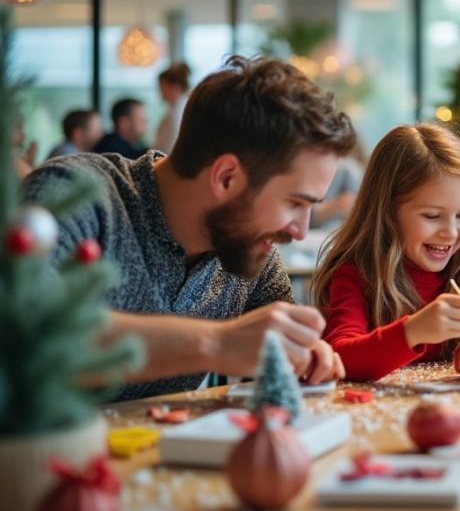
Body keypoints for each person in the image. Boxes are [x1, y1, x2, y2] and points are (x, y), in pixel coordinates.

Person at [22, 56, 357, 401]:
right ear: (226, 177)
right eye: (295, 203)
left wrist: (307, 354)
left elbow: (285, 345)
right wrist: (216, 342)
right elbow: (27, 333)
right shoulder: (74, 195)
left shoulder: (248, 248)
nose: (301, 231)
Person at [314, 124, 460, 381]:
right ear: (387, 212)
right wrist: (412, 332)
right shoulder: (357, 275)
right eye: (432, 216)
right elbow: (338, 358)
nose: (451, 233)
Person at [153, 62, 191, 154]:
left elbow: (169, 149)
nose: (160, 92)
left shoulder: (178, 113)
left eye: (162, 87)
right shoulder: (179, 108)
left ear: (175, 87)